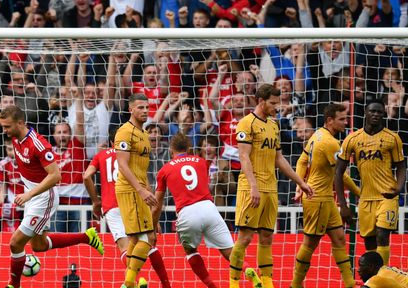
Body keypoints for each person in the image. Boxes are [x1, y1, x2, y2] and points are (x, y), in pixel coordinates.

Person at [0, 77, 104, 288]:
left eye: (7, 127)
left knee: (15, 243)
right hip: (32, 193)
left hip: (43, 197)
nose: (4, 131)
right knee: (39, 246)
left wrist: (29, 195)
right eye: (4, 126)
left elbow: (55, 176)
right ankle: (86, 237)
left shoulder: (39, 145)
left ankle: (13, 285)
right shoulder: (14, 132)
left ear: (20, 123)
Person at [228, 84, 313, 288]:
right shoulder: (246, 123)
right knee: (246, 237)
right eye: (274, 103)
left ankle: (267, 283)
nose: (278, 107)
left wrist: (301, 182)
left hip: (270, 188)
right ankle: (233, 283)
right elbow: (244, 157)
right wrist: (253, 186)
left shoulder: (274, 125)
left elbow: (279, 158)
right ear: (261, 101)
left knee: (267, 237)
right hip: (251, 188)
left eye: (279, 102)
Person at [152, 133, 234, 288]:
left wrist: (153, 224)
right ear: (189, 148)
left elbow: (157, 204)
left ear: (171, 150)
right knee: (230, 252)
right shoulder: (201, 162)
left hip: (187, 212)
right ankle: (250, 271)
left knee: (190, 250)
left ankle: (212, 285)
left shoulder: (164, 170)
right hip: (209, 208)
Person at [291, 103, 360, 288]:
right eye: (342, 119)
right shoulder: (330, 143)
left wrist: (300, 184)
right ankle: (295, 284)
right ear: (330, 120)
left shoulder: (318, 134)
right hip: (318, 199)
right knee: (310, 243)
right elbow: (341, 175)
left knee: (339, 238)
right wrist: (359, 192)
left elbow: (301, 161)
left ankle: (350, 284)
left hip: (324, 198)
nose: (345, 122)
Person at [335, 101, 406, 267]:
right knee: (369, 242)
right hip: (366, 198)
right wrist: (343, 205)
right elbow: (338, 172)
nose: (376, 115)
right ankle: (372, 277)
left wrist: (398, 188)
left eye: (380, 112)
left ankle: (382, 276)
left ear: (383, 115)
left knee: (382, 235)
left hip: (387, 196)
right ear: (366, 113)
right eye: (373, 111)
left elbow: (401, 167)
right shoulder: (352, 139)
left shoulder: (393, 138)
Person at [116, 93, 170, 288]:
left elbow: (141, 169)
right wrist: (140, 190)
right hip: (130, 190)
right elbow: (122, 165)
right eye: (140, 107)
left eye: (147, 107)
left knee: (135, 238)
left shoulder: (144, 135)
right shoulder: (124, 132)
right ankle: (129, 284)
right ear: (131, 109)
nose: (145, 111)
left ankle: (128, 282)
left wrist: (148, 191)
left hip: (140, 191)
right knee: (148, 239)